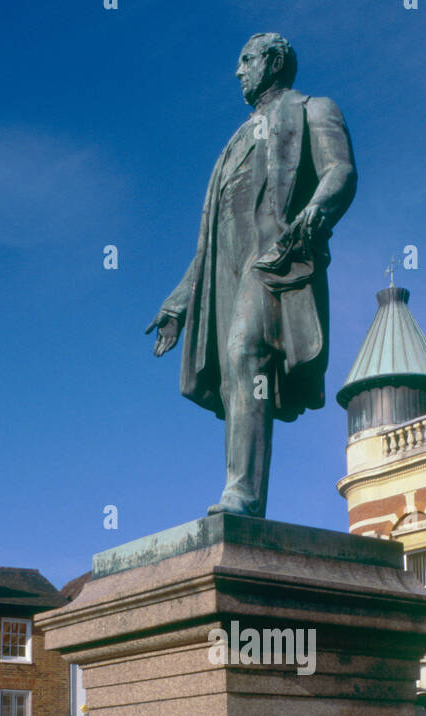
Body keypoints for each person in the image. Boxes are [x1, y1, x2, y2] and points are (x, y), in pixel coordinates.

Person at [146, 33, 357, 518]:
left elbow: (340, 172)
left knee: (246, 354)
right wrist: (179, 301)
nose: (237, 71)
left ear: (275, 61)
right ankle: (240, 491)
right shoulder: (234, 142)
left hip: (276, 259)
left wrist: (317, 210)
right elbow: (209, 241)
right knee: (230, 375)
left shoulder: (313, 109)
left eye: (246, 60)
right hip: (228, 270)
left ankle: (242, 492)